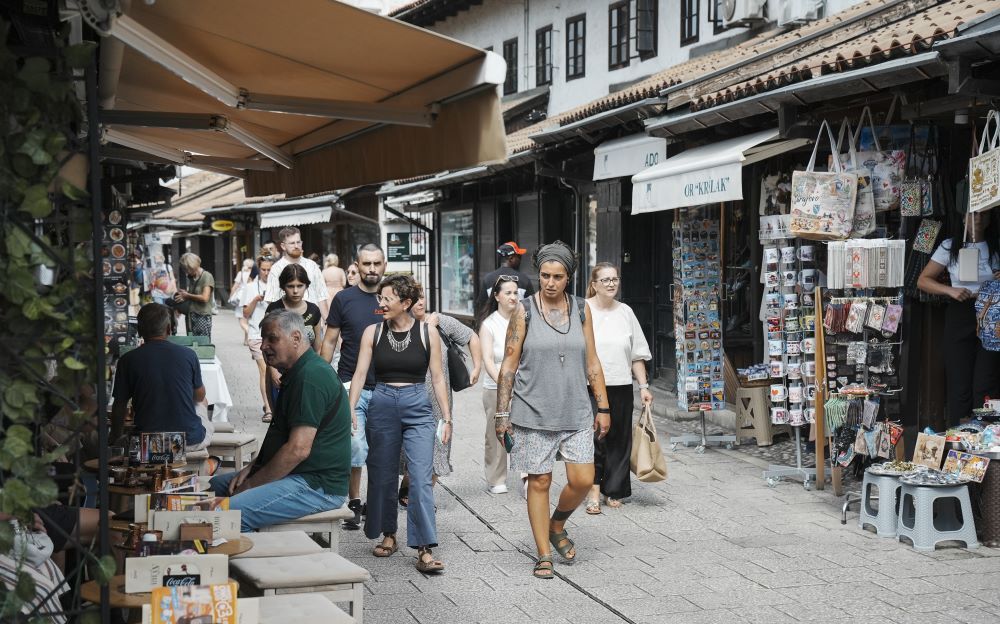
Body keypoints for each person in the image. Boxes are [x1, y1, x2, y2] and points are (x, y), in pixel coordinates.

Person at [494, 241, 611, 579]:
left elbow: (592, 362)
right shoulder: (524, 310)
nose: (549, 282)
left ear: (569, 278)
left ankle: (557, 523)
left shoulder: (581, 310)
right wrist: (502, 415)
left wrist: (602, 405)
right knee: (540, 480)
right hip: (532, 410)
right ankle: (543, 552)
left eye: (557, 276)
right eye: (544, 275)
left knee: (583, 478)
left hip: (575, 408)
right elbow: (508, 366)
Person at [210, 310, 351, 532]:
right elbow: (282, 435)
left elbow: (298, 450)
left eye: (272, 339)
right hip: (298, 474)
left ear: (296, 338)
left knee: (224, 517)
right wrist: (256, 466)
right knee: (208, 489)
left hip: (316, 485)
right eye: (263, 338)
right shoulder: (297, 371)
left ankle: (247, 564)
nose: (264, 345)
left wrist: (250, 486)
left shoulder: (310, 376)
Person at [348, 274, 451, 573]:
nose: (381, 303)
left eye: (387, 299)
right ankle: (389, 533)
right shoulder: (373, 332)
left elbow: (438, 377)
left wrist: (447, 417)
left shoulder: (426, 332)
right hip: (381, 403)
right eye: (380, 297)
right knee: (382, 473)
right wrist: (350, 407)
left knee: (420, 477)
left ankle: (423, 548)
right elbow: (358, 374)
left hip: (418, 407)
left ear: (405, 303)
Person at [320, 243, 386, 529]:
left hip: (386, 386)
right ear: (356, 266)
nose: (372, 269)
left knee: (382, 450)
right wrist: (323, 379)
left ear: (384, 265)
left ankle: (377, 501)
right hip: (349, 383)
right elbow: (330, 341)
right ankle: (354, 501)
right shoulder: (344, 299)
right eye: (366, 264)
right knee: (356, 447)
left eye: (377, 264)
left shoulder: (392, 298)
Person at [397, 287, 481, 504]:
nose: (420, 303)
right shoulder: (400, 325)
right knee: (408, 451)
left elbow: (471, 336)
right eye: (415, 300)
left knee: (439, 449)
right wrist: (426, 329)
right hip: (408, 399)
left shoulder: (441, 321)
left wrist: (477, 367)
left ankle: (421, 497)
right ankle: (408, 488)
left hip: (439, 401)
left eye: (422, 298)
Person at [918, 210, 1000, 425]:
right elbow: (923, 280)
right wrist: (950, 291)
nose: (978, 219)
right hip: (960, 310)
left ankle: (986, 437)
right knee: (959, 379)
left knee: (987, 379)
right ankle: (960, 441)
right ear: (963, 218)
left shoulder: (996, 244)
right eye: (973, 215)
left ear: (990, 218)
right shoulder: (951, 245)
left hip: (992, 313)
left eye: (983, 215)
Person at [584, 263, 652, 514]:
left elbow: (637, 354)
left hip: (621, 383)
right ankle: (592, 488)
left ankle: (614, 489)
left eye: (615, 279)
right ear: (594, 284)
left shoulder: (626, 312)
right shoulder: (584, 310)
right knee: (595, 438)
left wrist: (643, 386)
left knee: (620, 438)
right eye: (605, 280)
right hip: (589, 386)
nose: (611, 284)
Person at [111, 303, 213, 451]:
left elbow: (119, 406)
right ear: (168, 329)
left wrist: (115, 437)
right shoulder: (188, 355)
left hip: (149, 445)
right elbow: (199, 396)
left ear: (139, 331)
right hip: (188, 442)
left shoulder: (127, 360)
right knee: (202, 400)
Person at [478, 275, 520, 493]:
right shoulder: (489, 324)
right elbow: (487, 360)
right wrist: (505, 386)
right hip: (496, 387)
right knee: (496, 434)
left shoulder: (524, 319)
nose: (513, 296)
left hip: (524, 386)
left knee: (526, 431)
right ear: (496, 296)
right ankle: (496, 478)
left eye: (516, 292)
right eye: (508, 293)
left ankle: (528, 475)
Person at [264, 227, 329, 318]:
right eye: (292, 243)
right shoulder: (276, 269)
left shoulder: (312, 266)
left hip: (314, 323)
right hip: (288, 324)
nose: (296, 246)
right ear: (283, 246)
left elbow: (321, 297)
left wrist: (326, 323)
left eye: (298, 242)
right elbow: (272, 300)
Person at [242, 256, 274, 423]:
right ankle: (268, 408)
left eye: (269, 269)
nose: (266, 273)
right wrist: (256, 299)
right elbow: (245, 314)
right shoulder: (250, 287)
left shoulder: (278, 286)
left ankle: (273, 404)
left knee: (276, 372)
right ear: (258, 269)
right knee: (265, 370)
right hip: (256, 334)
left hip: (276, 335)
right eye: (263, 269)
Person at [266, 264, 324, 353]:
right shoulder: (274, 309)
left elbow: (318, 347)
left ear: (306, 286)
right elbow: (267, 346)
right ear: (283, 287)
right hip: (280, 365)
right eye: (290, 286)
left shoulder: (313, 310)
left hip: (308, 364)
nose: (295, 291)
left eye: (300, 286)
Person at [474, 241, 536, 313]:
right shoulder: (524, 279)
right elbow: (532, 307)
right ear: (511, 258)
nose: (520, 260)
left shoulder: (488, 279)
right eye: (518, 256)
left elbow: (481, 306)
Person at [174, 252, 215, 340]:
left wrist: (187, 295)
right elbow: (194, 295)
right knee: (191, 341)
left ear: (191, 266)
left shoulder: (206, 276)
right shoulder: (192, 277)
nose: (185, 272)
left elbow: (205, 298)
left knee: (202, 343)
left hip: (202, 316)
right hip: (191, 314)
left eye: (186, 269)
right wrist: (185, 293)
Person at [231, 258, 254, 345]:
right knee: (247, 319)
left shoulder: (241, 274)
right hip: (251, 298)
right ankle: (246, 340)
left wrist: (231, 297)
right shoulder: (253, 274)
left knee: (242, 321)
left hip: (241, 298)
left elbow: (235, 286)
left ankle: (249, 333)